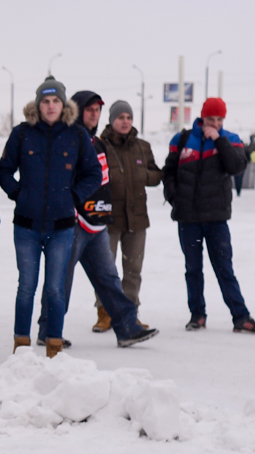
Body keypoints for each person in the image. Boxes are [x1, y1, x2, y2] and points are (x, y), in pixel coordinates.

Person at [38, 90, 158, 351]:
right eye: (89, 109)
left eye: (97, 110)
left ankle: (127, 328)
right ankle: (47, 330)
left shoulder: (98, 143)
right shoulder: (67, 139)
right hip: (71, 225)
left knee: (109, 279)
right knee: (61, 281)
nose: (94, 114)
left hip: (97, 225)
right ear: (78, 111)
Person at [0, 76, 102, 357]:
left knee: (56, 288)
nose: (51, 106)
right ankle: (21, 345)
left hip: (62, 228)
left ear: (63, 104)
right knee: (27, 287)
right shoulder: (22, 133)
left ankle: (54, 345)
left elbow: (94, 173)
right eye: (45, 101)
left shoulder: (77, 134)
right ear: (38, 104)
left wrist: (74, 196)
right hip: (26, 227)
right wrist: (18, 194)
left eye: (56, 100)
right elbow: (3, 170)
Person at [164, 98, 255, 333]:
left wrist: (218, 140)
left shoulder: (229, 139)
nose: (216, 123)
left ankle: (241, 316)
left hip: (216, 218)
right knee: (193, 269)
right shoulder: (181, 140)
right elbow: (169, 172)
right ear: (202, 118)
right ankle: (197, 315)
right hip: (188, 218)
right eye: (211, 119)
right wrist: (174, 197)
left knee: (224, 268)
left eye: (220, 119)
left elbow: (236, 167)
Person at [97, 100, 163, 330]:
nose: (125, 122)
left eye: (128, 117)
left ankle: (130, 313)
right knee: (106, 270)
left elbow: (156, 175)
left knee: (133, 270)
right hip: (109, 218)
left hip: (137, 218)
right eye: (120, 117)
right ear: (112, 120)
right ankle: (104, 313)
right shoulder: (100, 145)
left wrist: (143, 176)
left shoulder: (142, 147)